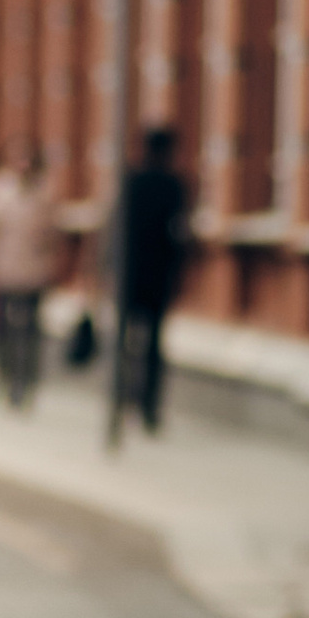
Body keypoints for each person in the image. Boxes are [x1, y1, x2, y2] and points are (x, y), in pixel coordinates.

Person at [0, 144, 63, 410]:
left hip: (34, 273)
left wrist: (51, 265)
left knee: (31, 331)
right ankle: (5, 377)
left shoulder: (45, 193)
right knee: (3, 329)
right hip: (4, 271)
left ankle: (25, 384)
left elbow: (53, 235)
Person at [119, 122, 192, 429]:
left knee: (125, 339)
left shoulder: (131, 182)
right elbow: (179, 234)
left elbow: (116, 233)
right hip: (159, 275)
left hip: (130, 273)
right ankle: (149, 405)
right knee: (153, 345)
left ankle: (124, 396)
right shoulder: (174, 185)